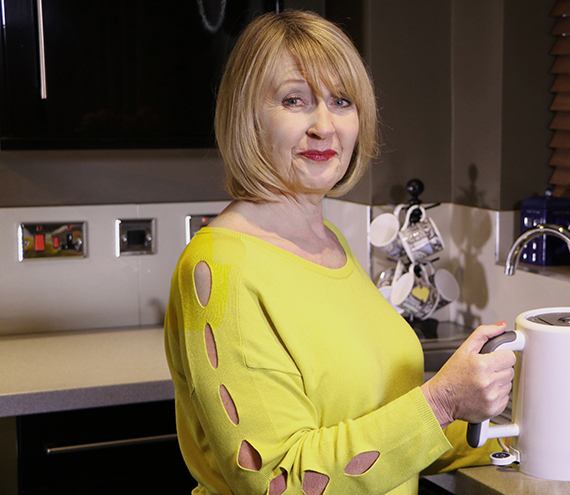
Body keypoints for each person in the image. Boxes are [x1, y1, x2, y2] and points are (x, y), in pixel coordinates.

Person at [164, 10, 516, 495]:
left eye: (341, 101)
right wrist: (440, 402)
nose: (323, 126)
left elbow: (378, 426)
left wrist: (519, 436)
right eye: (295, 100)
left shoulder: (332, 245)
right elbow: (278, 482)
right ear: (248, 116)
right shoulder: (218, 270)